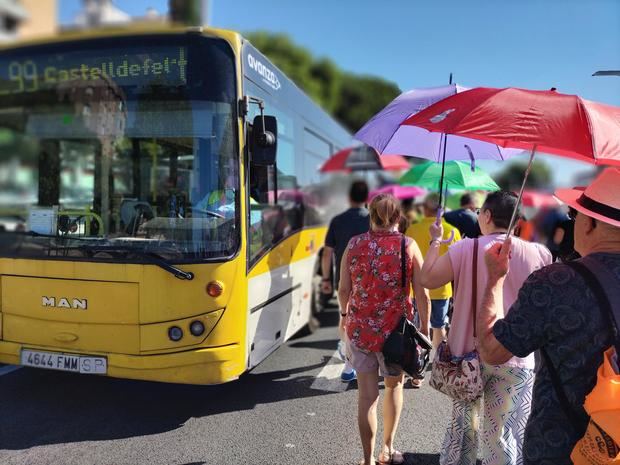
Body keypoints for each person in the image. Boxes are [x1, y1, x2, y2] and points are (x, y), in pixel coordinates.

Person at [477, 168, 620, 465]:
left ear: (590, 223)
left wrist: (494, 280)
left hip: (561, 447)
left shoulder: (555, 282)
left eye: (574, 215)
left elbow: (492, 351)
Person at [420, 191, 552, 465]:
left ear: (488, 216)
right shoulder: (540, 254)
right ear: (517, 221)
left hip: (467, 357)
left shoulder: (465, 248)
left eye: (481, 212)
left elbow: (428, 279)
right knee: (503, 435)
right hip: (515, 356)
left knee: (465, 429)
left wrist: (435, 241)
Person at [338, 193, 430, 465]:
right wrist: (424, 326)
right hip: (396, 335)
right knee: (393, 388)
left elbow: (344, 289)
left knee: (367, 397)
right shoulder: (408, 245)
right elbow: (422, 293)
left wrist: (345, 314)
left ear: (371, 215)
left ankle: (366, 460)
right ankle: (387, 451)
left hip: (361, 331)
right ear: (397, 218)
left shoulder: (354, 245)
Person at [321, 180, 370, 382]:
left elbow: (327, 253)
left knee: (345, 316)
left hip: (344, 277)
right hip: (368, 278)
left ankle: (348, 359)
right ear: (367, 198)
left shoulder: (337, 220)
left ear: (349, 198)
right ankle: (356, 360)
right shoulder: (371, 219)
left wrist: (325, 278)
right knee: (363, 319)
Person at [405, 193, 461, 351]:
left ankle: (417, 370)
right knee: (439, 327)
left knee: (415, 329)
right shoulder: (453, 231)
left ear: (424, 208)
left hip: (417, 290)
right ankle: (438, 363)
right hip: (442, 288)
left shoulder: (412, 229)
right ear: (442, 210)